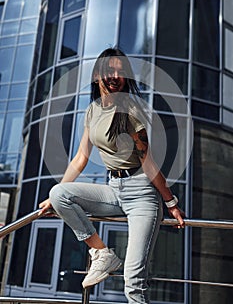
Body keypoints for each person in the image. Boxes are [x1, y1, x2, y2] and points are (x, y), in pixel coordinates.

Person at [39, 48, 185, 304]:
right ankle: (102, 252)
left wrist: (170, 203)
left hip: (142, 196)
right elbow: (81, 158)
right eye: (110, 69)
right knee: (59, 193)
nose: (115, 75)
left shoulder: (131, 111)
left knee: (133, 281)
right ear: (97, 75)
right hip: (114, 188)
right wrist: (54, 199)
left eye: (121, 71)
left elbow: (149, 164)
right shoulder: (92, 110)